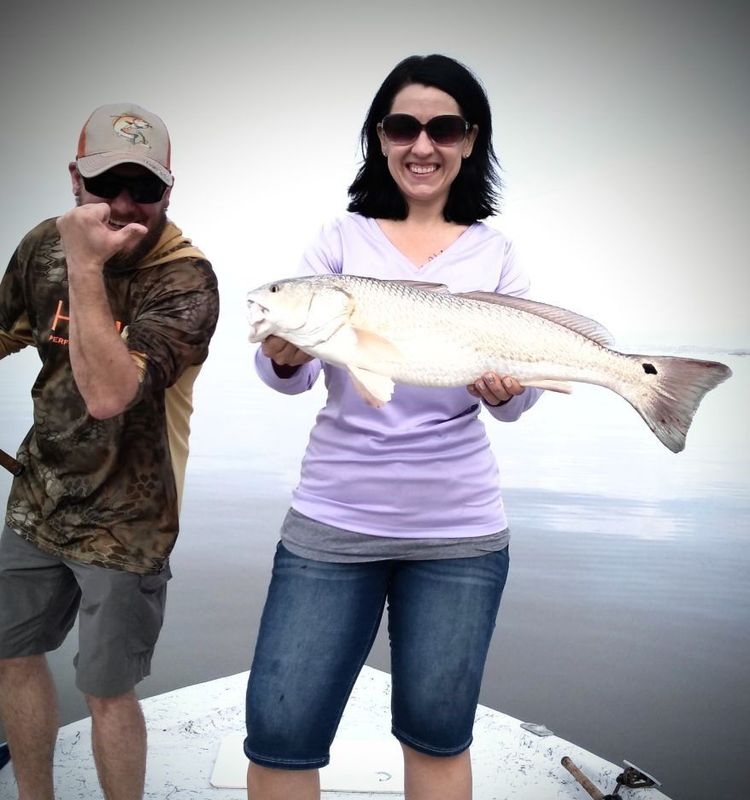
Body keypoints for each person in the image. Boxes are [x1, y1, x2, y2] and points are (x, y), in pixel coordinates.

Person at [244, 54, 543, 800]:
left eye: (444, 127)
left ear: (471, 140)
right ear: (380, 137)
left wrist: (508, 390)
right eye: (403, 126)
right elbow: (295, 376)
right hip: (332, 525)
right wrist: (284, 357)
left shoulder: (496, 254)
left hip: (460, 535)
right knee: (280, 736)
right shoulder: (338, 245)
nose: (423, 144)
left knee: (438, 736)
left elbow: (517, 402)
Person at [0, 103, 219, 800]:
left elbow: (108, 394)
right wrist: (66, 253)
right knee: (12, 653)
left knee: (106, 690)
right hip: (38, 497)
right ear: (75, 180)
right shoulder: (41, 246)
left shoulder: (185, 279)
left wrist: (86, 265)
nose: (124, 205)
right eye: (105, 185)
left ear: (167, 191)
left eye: (144, 189)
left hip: (129, 523)